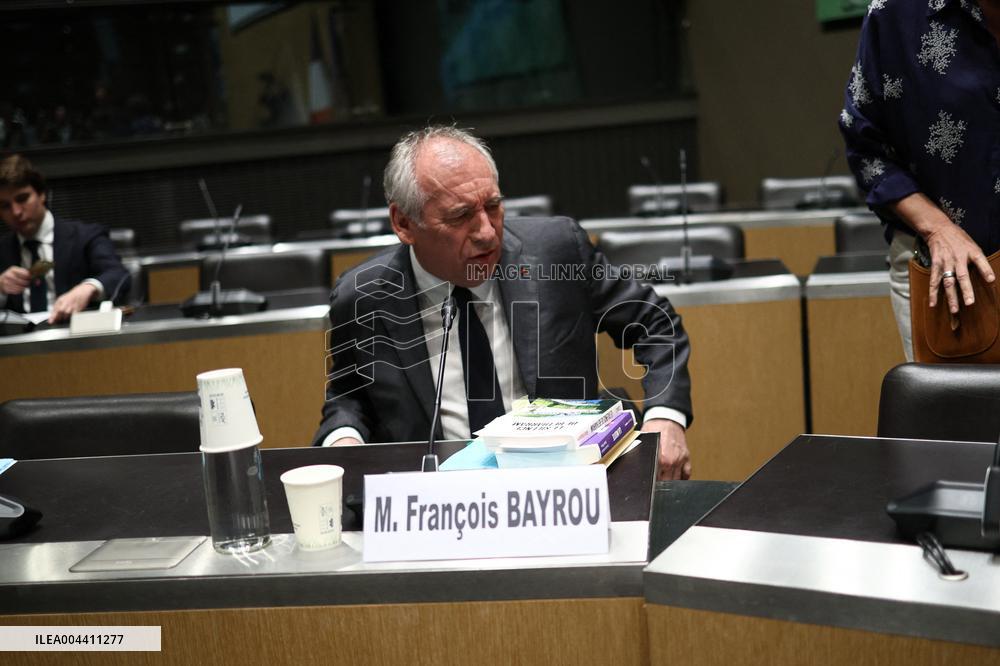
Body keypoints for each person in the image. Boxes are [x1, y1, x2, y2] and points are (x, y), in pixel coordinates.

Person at [312, 126, 694, 480]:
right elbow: (349, 397)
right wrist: (345, 440)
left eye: (492, 206)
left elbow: (655, 322)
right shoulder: (364, 297)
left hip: (569, 486)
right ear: (404, 223)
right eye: (460, 216)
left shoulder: (556, 251)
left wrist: (665, 417)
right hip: (441, 504)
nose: (485, 232)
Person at [839, 0, 1000, 360]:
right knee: (953, 415)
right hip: (944, 274)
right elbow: (865, 145)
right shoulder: (896, 13)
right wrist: (937, 228)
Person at [0, 154, 129, 323]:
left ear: (42, 195)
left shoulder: (85, 236)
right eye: (5, 206)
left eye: (22, 199)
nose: (16, 212)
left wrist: (87, 288)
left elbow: (118, 274)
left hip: (75, 336)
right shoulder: (2, 249)